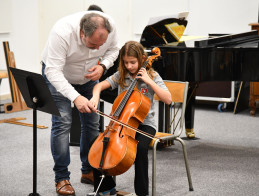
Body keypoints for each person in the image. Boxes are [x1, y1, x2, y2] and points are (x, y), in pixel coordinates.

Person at [41, 10, 119, 196]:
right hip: (60, 78)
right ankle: (61, 178)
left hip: (89, 78)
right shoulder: (62, 32)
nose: (96, 48)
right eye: (93, 44)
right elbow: (53, 72)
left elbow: (114, 50)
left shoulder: (110, 27)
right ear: (81, 33)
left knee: (92, 124)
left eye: (100, 44)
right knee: (63, 124)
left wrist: (103, 66)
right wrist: (75, 97)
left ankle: (88, 170)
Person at [88, 41, 172, 196]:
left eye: (133, 62)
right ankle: (106, 188)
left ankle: (142, 193)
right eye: (126, 62)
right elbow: (98, 86)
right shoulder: (121, 75)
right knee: (97, 145)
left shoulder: (153, 75)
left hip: (145, 124)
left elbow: (168, 99)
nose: (129, 66)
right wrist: (95, 97)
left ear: (142, 59)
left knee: (140, 150)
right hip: (120, 123)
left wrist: (148, 81)